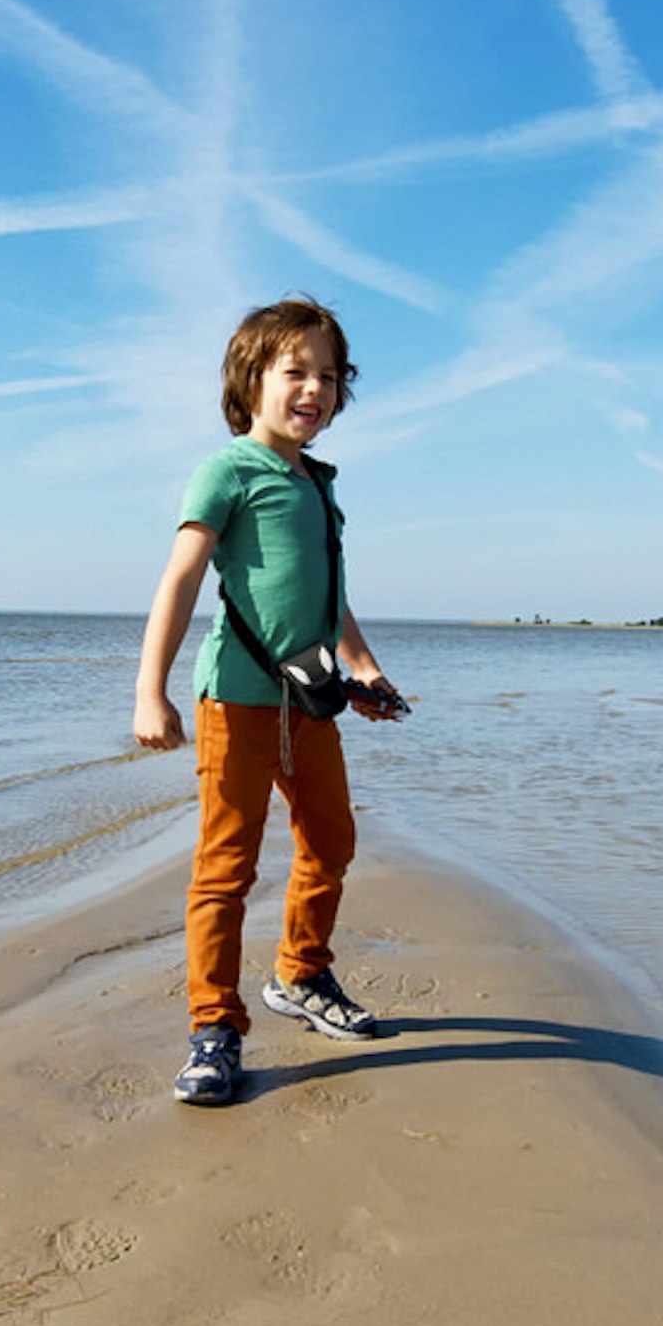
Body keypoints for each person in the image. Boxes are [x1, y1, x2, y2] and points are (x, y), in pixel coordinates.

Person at [133, 298, 407, 1107]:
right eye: (295, 372)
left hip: (307, 703)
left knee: (331, 839)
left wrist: (364, 670)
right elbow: (181, 578)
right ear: (252, 380)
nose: (313, 389)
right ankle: (214, 1030)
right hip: (238, 702)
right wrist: (150, 690)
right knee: (227, 866)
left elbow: (331, 598)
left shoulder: (318, 485)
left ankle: (302, 972)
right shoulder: (230, 470)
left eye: (327, 376)